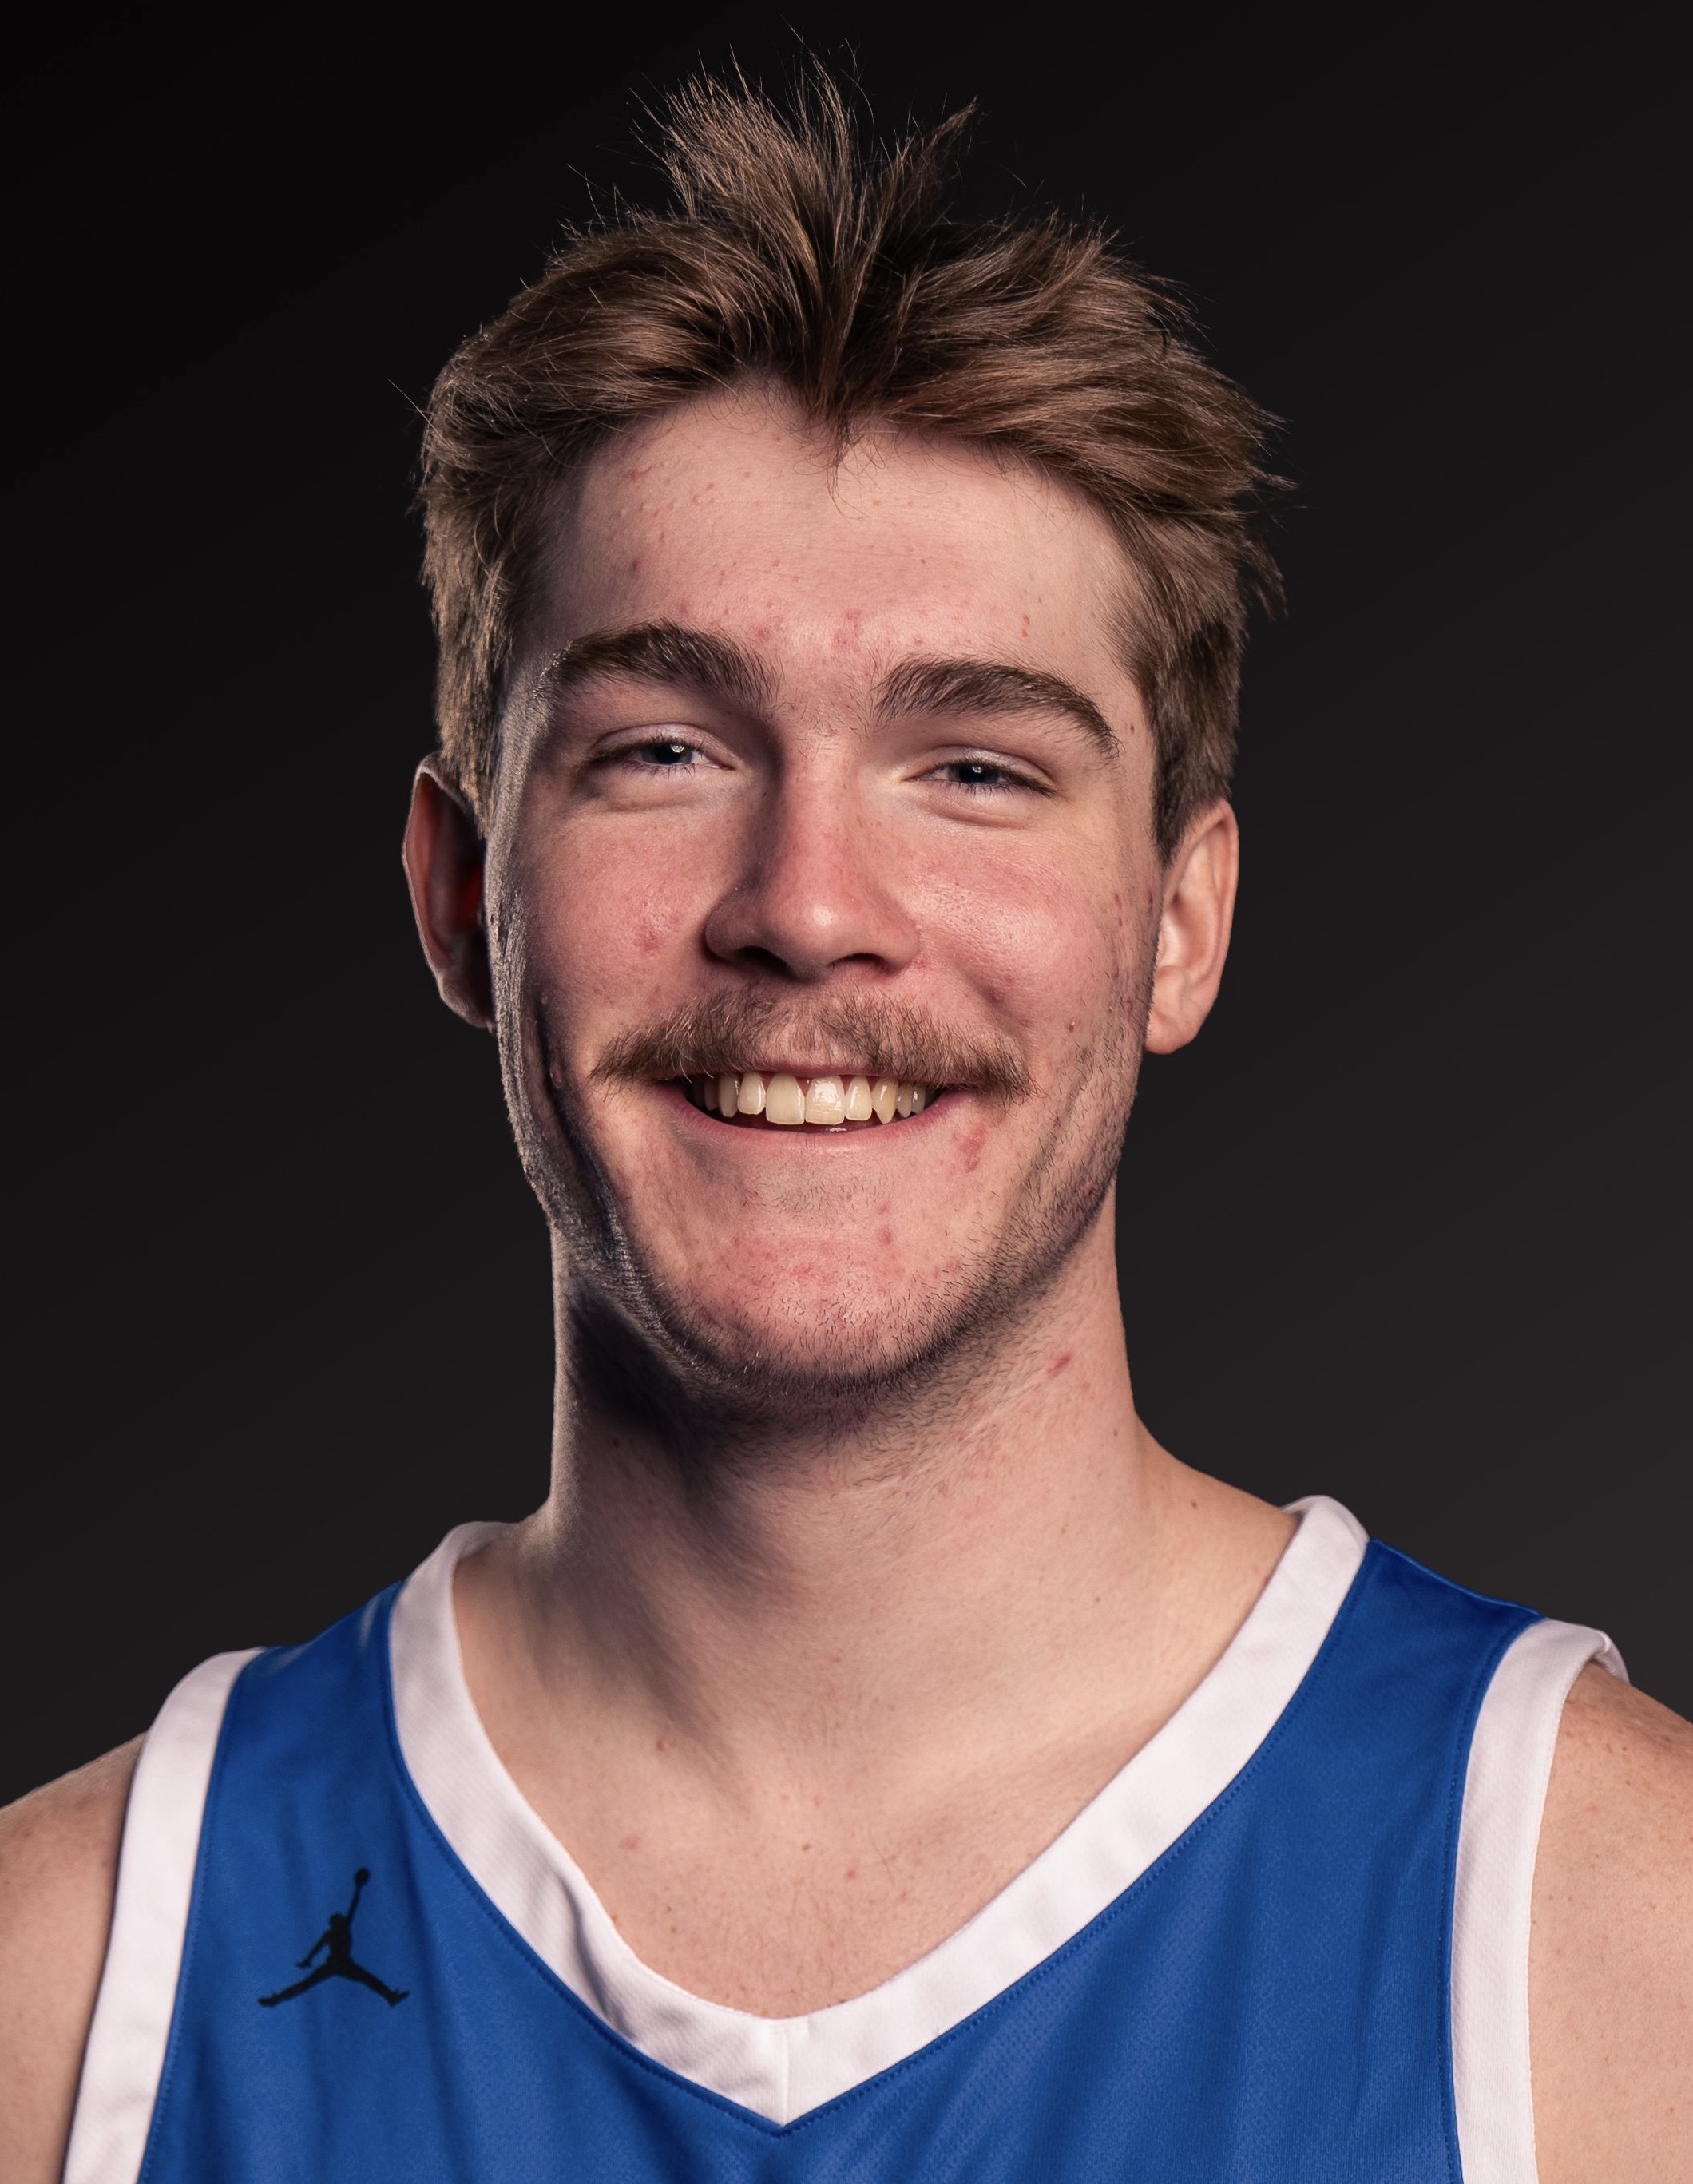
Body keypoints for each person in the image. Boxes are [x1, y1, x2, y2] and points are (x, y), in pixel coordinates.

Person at [2, 71, 1689, 2184]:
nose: (806, 906)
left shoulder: (1614, 1946)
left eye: (975, 767)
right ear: (460, 893)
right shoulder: (68, 1994)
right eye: (664, 748)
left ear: (1181, 921)